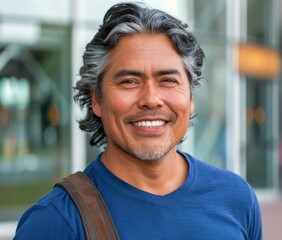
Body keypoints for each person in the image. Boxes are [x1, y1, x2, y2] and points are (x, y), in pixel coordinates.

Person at [14, 2, 262, 239]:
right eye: (129, 82)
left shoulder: (236, 198)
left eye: (168, 80)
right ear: (97, 100)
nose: (151, 99)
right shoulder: (55, 221)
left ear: (190, 97)